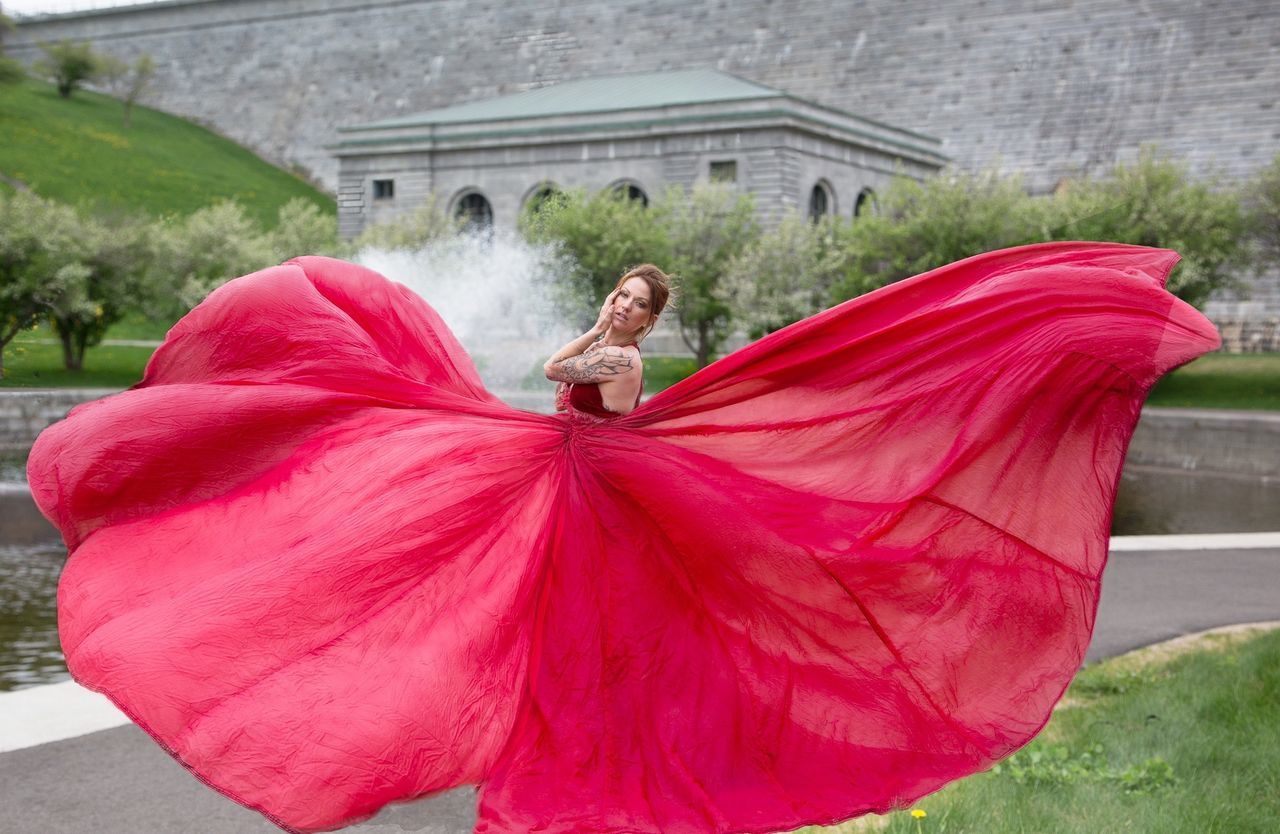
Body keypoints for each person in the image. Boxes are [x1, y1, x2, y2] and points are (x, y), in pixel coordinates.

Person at [27, 242, 1221, 834]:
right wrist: (574, 367)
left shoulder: (624, 357)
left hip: (590, 481)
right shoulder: (602, 342)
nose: (622, 311)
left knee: (595, 630)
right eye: (621, 298)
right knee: (469, 583)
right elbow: (556, 375)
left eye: (638, 309)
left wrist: (599, 367)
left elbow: (589, 385)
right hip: (553, 463)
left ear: (649, 323)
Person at [544, 263, 673, 418]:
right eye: (624, 294)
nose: (626, 306)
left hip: (595, 441)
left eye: (640, 304)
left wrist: (597, 328)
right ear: (613, 296)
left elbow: (551, 369)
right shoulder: (599, 347)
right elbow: (560, 402)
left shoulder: (620, 357)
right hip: (577, 435)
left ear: (650, 320)